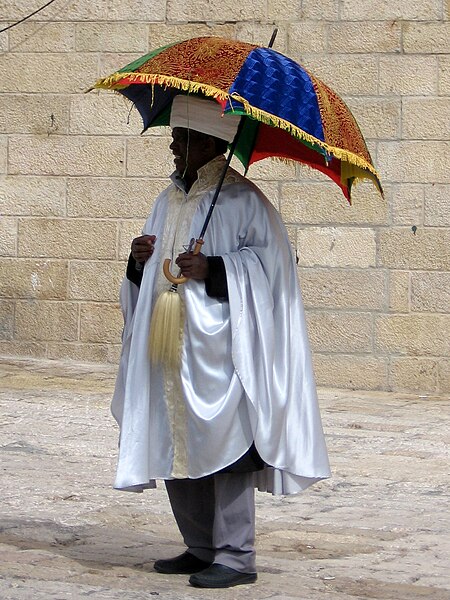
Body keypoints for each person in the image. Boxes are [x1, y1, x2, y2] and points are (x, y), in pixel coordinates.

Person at [111, 95, 330, 589]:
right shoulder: (165, 201)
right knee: (172, 441)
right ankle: (199, 545)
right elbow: (145, 279)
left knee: (228, 448)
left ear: (209, 143)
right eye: (175, 136)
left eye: (183, 138)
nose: (173, 146)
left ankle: (235, 555)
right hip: (168, 348)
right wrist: (138, 261)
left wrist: (217, 269)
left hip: (222, 355)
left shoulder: (244, 201)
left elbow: (272, 272)